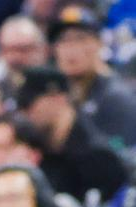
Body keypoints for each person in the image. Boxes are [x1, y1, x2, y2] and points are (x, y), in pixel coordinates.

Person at [16, 65, 130, 204]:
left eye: (28, 104)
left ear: (57, 99)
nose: (24, 113)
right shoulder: (38, 149)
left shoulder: (97, 156)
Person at [49, 4, 136, 149]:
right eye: (63, 40)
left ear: (99, 43)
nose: (71, 49)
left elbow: (124, 154)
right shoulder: (61, 95)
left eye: (80, 39)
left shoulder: (117, 97)